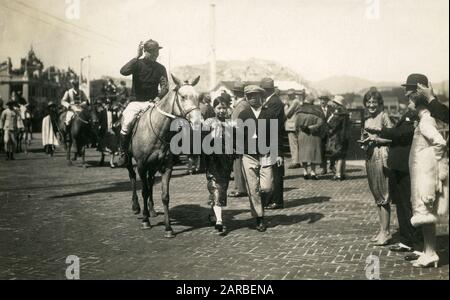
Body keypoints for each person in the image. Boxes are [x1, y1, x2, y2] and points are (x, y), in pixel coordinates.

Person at [365, 73, 449, 261]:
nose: (406, 95)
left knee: (418, 208)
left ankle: (422, 248)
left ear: (419, 91)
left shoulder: (424, 114)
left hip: (416, 168)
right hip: (407, 164)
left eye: (410, 91)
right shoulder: (415, 112)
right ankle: (414, 243)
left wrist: (432, 163)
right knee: (407, 206)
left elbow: (433, 141)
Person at [407, 91, 448, 268]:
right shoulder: (424, 121)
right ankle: (428, 251)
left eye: (409, 101)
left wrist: (431, 162)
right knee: (425, 215)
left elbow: (440, 142)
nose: (407, 104)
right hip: (421, 175)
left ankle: (431, 253)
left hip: (425, 177)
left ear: (417, 103)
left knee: (426, 213)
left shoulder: (425, 122)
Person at [238, 85, 283, 231]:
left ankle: (260, 206)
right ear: (246, 98)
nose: (252, 98)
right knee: (253, 189)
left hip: (266, 154)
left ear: (261, 97)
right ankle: (259, 218)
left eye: (255, 95)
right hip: (248, 155)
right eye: (249, 96)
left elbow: (276, 135)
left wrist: (279, 153)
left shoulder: (269, 113)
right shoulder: (243, 114)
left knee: (267, 187)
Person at [118, 39, 169, 166]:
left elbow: (165, 87)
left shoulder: (161, 68)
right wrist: (136, 56)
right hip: (136, 102)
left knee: (167, 122)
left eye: (157, 51)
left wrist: (158, 97)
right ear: (145, 51)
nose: (156, 54)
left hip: (153, 102)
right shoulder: (137, 64)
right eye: (153, 51)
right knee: (128, 121)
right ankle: (123, 152)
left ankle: (168, 153)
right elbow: (123, 71)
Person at [360, 89, 394, 246]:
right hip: (370, 156)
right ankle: (382, 229)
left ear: (380, 103)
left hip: (382, 155)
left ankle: (386, 232)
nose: (371, 105)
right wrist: (364, 142)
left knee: (384, 194)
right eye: (369, 102)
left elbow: (393, 136)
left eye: (374, 102)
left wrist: (377, 139)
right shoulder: (366, 120)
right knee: (376, 194)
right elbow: (365, 137)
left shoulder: (384, 116)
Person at [204, 96, 235, 233]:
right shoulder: (208, 122)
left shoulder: (232, 123)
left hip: (226, 160)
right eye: (219, 108)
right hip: (213, 159)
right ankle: (219, 220)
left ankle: (213, 213)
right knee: (215, 185)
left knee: (222, 187)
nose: (222, 111)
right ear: (214, 108)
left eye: (224, 108)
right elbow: (200, 140)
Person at [261, 78, 286, 210]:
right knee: (272, 171)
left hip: (274, 139)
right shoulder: (272, 101)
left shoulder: (274, 102)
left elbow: (272, 124)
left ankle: (277, 200)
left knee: (276, 172)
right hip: (272, 139)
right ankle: (272, 199)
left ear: (265, 90)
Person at [228, 82, 249, 198]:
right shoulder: (244, 104)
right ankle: (241, 187)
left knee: (238, 163)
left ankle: (240, 188)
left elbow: (237, 123)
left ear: (235, 93)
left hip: (238, 137)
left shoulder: (241, 105)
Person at [296, 94, 324, 180]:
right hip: (313, 135)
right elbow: (320, 123)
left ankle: (305, 172)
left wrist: (299, 132)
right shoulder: (317, 112)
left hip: (302, 135)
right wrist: (311, 128)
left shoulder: (299, 112)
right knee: (313, 154)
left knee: (303, 154)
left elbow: (296, 125)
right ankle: (313, 172)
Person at [326, 95, 350, 180]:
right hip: (345, 136)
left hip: (337, 136)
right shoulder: (346, 112)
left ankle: (338, 174)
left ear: (337, 103)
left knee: (338, 155)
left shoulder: (337, 112)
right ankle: (343, 173)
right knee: (343, 155)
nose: (333, 104)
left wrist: (329, 128)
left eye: (334, 102)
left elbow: (332, 124)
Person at [284, 89, 302, 169]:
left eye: (289, 95)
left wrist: (286, 105)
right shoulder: (297, 101)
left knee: (293, 144)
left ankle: (295, 161)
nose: (288, 96)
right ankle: (298, 160)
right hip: (296, 124)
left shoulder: (294, 102)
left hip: (292, 125)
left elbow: (287, 113)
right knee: (296, 143)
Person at [319, 96, 333, 175]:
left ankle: (332, 166)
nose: (323, 102)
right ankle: (323, 168)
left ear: (327, 101)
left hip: (329, 133)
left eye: (324, 100)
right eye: (321, 100)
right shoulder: (317, 109)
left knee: (331, 150)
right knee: (322, 151)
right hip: (320, 133)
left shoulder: (331, 109)